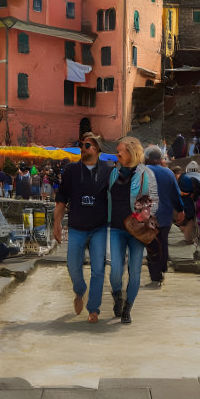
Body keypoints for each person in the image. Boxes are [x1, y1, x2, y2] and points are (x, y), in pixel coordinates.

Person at [53, 132, 113, 323]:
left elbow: (117, 198)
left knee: (98, 269)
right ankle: (79, 291)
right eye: (82, 145)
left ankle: (93, 309)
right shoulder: (71, 170)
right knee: (72, 265)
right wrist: (56, 224)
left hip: (99, 227)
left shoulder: (109, 170)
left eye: (87, 145)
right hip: (77, 226)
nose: (83, 148)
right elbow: (62, 199)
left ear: (96, 148)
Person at [107, 136, 158, 324]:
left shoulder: (146, 174)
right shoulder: (114, 173)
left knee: (135, 271)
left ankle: (128, 307)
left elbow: (154, 201)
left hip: (137, 230)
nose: (117, 153)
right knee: (115, 270)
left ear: (131, 152)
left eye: (120, 150)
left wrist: (143, 215)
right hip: (116, 228)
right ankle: (117, 297)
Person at [143, 145, 184, 288]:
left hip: (148, 216)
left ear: (147, 158)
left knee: (152, 245)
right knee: (163, 241)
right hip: (165, 215)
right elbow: (175, 195)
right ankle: (162, 268)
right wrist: (180, 210)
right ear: (159, 159)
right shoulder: (168, 173)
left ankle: (155, 277)